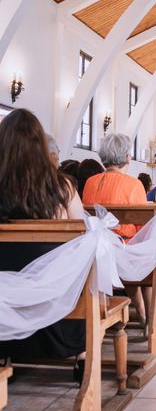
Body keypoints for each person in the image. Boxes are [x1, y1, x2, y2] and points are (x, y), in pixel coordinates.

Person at [0, 109, 86, 381]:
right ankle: (81, 356)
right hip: (51, 292)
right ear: (40, 146)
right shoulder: (63, 186)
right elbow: (82, 236)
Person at [82, 133, 150, 331]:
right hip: (123, 247)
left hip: (95, 250)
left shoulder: (90, 182)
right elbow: (141, 227)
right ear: (127, 157)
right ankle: (146, 316)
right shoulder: (134, 184)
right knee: (148, 258)